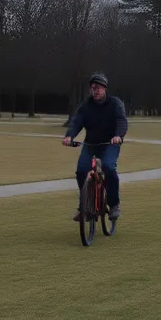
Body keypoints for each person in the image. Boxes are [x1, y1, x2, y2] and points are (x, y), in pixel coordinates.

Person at [62, 72, 127, 221]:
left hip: (110, 144)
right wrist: (69, 136)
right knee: (81, 171)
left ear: (104, 89)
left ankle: (114, 205)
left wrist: (118, 136)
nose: (95, 91)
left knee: (109, 168)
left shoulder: (115, 103)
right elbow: (76, 121)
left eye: (98, 88)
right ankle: (85, 206)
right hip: (90, 144)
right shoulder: (86, 105)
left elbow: (121, 121)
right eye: (92, 88)